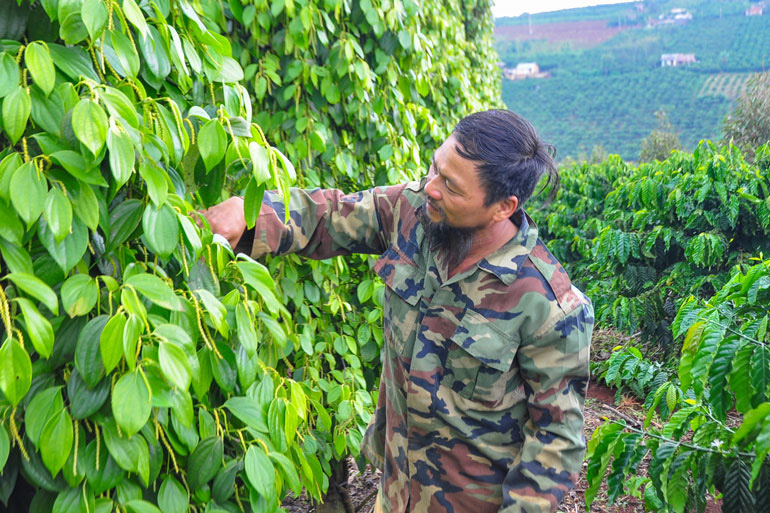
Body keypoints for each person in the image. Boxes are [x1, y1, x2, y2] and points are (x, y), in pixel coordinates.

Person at [202, 109, 593, 513]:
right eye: (434, 168)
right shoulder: (414, 213)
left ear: (502, 207)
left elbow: (556, 441)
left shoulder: (549, 306)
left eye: (451, 187)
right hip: (395, 495)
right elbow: (330, 216)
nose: (430, 188)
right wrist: (250, 216)